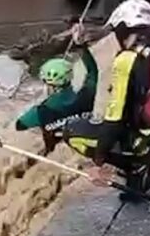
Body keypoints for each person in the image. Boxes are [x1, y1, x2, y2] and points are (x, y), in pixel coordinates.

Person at [63, 0, 150, 197]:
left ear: (123, 28)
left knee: (72, 131)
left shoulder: (126, 59)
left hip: (144, 139)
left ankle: (135, 168)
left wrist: (99, 162)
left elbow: (114, 119)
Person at [14, 24, 98, 153]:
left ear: (48, 83)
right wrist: (81, 47)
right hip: (87, 146)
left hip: (57, 151)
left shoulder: (40, 112)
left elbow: (19, 126)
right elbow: (93, 71)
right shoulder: (87, 95)